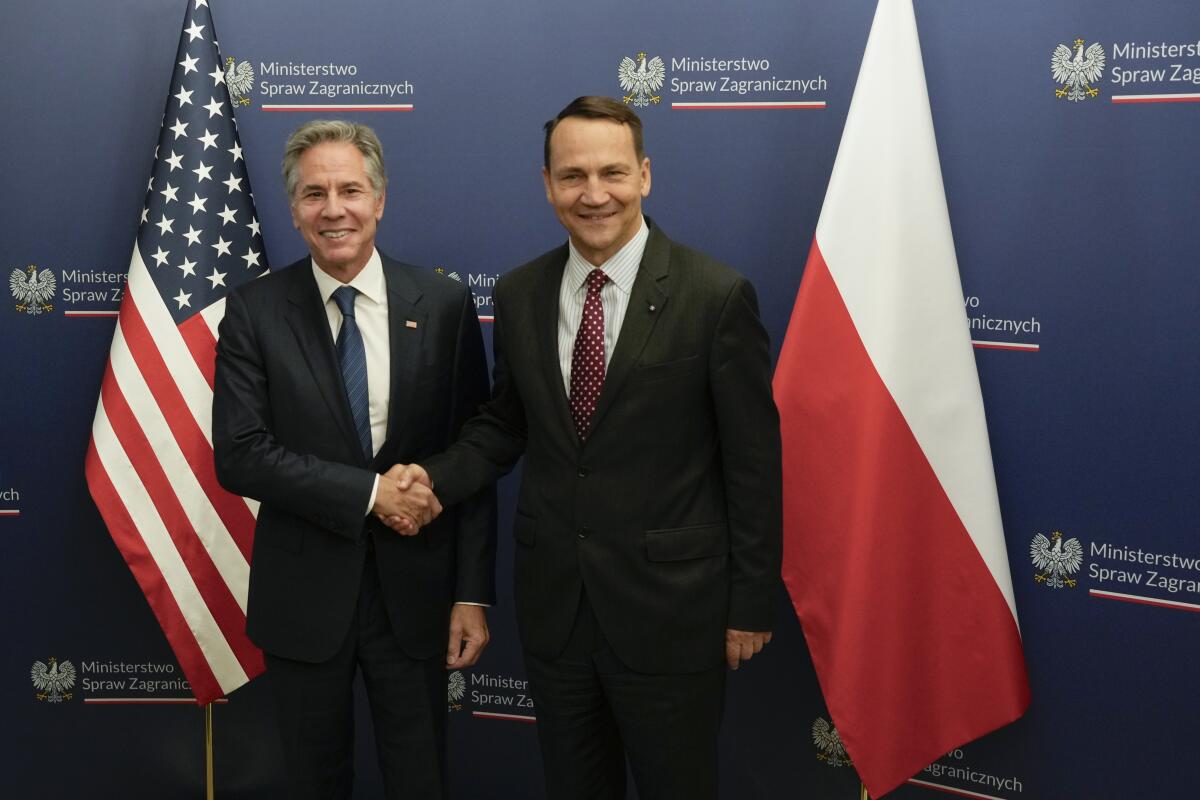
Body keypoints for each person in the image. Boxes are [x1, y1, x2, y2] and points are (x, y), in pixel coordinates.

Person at [393, 96, 782, 800]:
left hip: (673, 614)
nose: (594, 194)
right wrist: (435, 480)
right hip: (557, 611)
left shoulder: (716, 295)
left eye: (612, 173)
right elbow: (506, 424)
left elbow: (753, 464)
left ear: (646, 175)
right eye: (573, 176)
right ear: (547, 184)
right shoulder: (518, 293)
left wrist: (750, 602)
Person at [212, 119, 495, 799]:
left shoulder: (446, 303)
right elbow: (241, 456)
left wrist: (470, 592)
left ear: (380, 199)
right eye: (314, 194)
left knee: (421, 778)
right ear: (293, 209)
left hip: (418, 599)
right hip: (304, 601)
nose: (333, 209)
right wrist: (373, 494)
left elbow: (473, 456)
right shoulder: (254, 311)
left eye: (350, 190)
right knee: (315, 781)